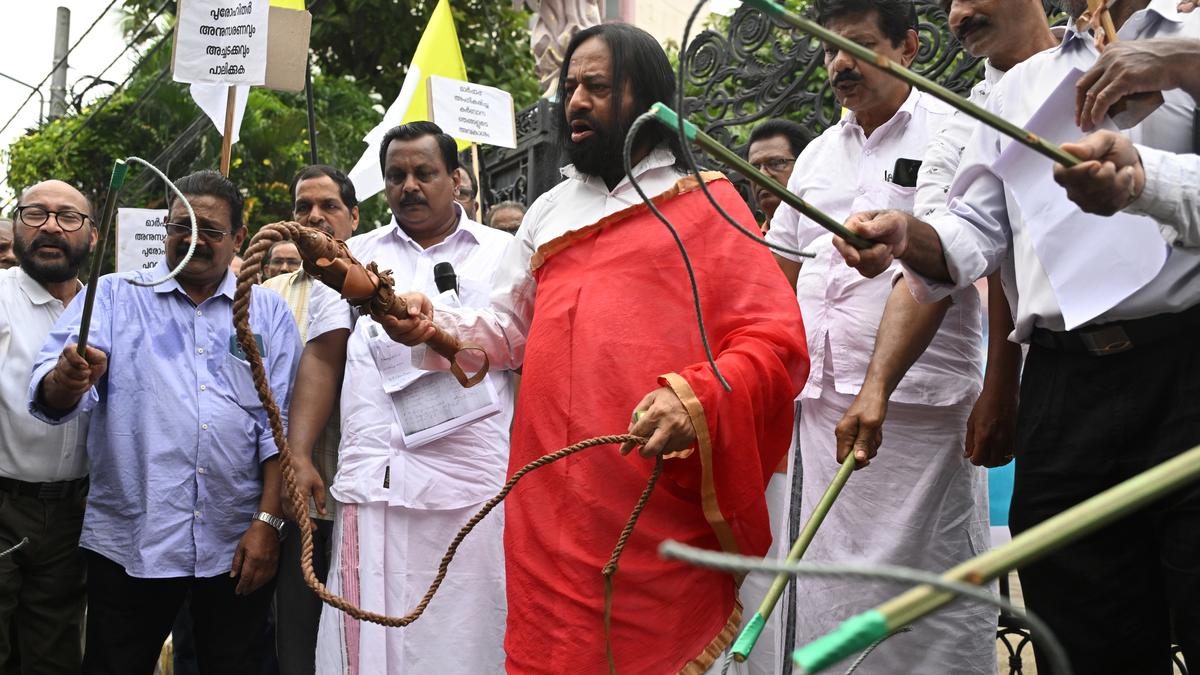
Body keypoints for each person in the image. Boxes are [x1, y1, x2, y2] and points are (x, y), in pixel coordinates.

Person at [385, 24, 808, 674]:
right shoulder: (550, 210)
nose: (575, 101)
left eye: (597, 87)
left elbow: (774, 343)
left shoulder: (708, 203)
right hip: (550, 505)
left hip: (658, 505)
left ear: (649, 100)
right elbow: (503, 330)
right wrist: (434, 326)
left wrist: (694, 397)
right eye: (570, 87)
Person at [832, 2, 1200, 672]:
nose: (959, 12)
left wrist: (1146, 174)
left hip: (1186, 366)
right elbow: (967, 236)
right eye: (947, 2)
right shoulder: (984, 109)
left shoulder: (1180, 37)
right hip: (1065, 392)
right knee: (1087, 639)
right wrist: (904, 235)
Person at [763, 1, 994, 672]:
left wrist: (998, 384)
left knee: (933, 600)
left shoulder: (955, 131)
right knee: (832, 596)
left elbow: (983, 263)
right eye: (831, 49)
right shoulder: (814, 155)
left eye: (859, 45)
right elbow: (778, 275)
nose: (840, 63)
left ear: (911, 47)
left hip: (926, 417)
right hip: (826, 415)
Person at [28, 170, 301, 675]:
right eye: (181, 225)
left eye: (211, 230)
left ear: (239, 238)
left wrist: (268, 523)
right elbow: (50, 391)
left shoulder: (268, 314)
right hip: (131, 541)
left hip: (236, 543)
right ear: (165, 229)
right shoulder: (112, 296)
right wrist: (68, 378)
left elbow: (279, 431)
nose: (192, 239)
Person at [285, 123, 516, 674]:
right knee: (370, 639)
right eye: (396, 176)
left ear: (456, 178)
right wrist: (299, 453)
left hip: (474, 487)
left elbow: (521, 352)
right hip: (379, 484)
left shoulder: (503, 253)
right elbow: (322, 357)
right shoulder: (350, 260)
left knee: (471, 635)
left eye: (424, 173)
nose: (409, 186)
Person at [261, 164, 360, 675]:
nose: (314, 216)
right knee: (296, 645)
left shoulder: (380, 290)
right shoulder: (269, 299)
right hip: (293, 508)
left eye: (328, 207)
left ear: (354, 218)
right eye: (303, 207)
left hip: (364, 504)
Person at [0, 181, 96, 673]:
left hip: (73, 518)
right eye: (36, 215)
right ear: (17, 227)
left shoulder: (107, 308)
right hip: (4, 506)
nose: (52, 226)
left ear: (93, 236)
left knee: (54, 654)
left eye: (68, 216)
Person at [745, 119, 812, 230]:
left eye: (776, 163)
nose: (762, 174)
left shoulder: (835, 235)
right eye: (754, 168)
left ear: (804, 166)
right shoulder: (751, 244)